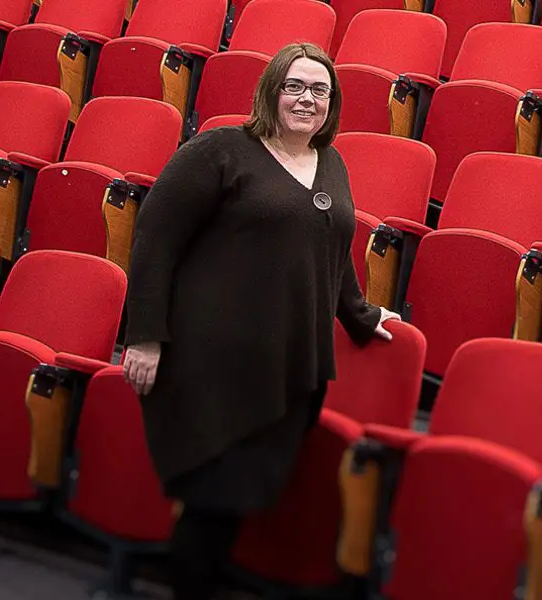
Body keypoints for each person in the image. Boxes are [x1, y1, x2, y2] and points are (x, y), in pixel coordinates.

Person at [118, 42, 398, 599]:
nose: (306, 99)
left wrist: (361, 316)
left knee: (238, 496)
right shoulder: (222, 149)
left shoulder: (332, 162)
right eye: (294, 85)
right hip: (210, 361)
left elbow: (331, 253)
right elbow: (154, 239)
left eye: (320, 90)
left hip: (288, 363)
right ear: (271, 90)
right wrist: (145, 336)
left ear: (332, 104)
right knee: (211, 494)